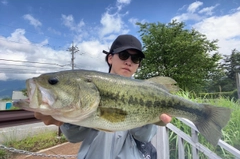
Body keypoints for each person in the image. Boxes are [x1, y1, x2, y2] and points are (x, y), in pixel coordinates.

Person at [34, 34, 172, 159]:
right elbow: (73, 137)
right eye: (124, 55)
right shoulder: (89, 87)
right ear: (110, 58)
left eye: (135, 59)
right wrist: (63, 119)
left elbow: (144, 137)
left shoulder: (149, 94)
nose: (129, 62)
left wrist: (151, 118)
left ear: (138, 65)